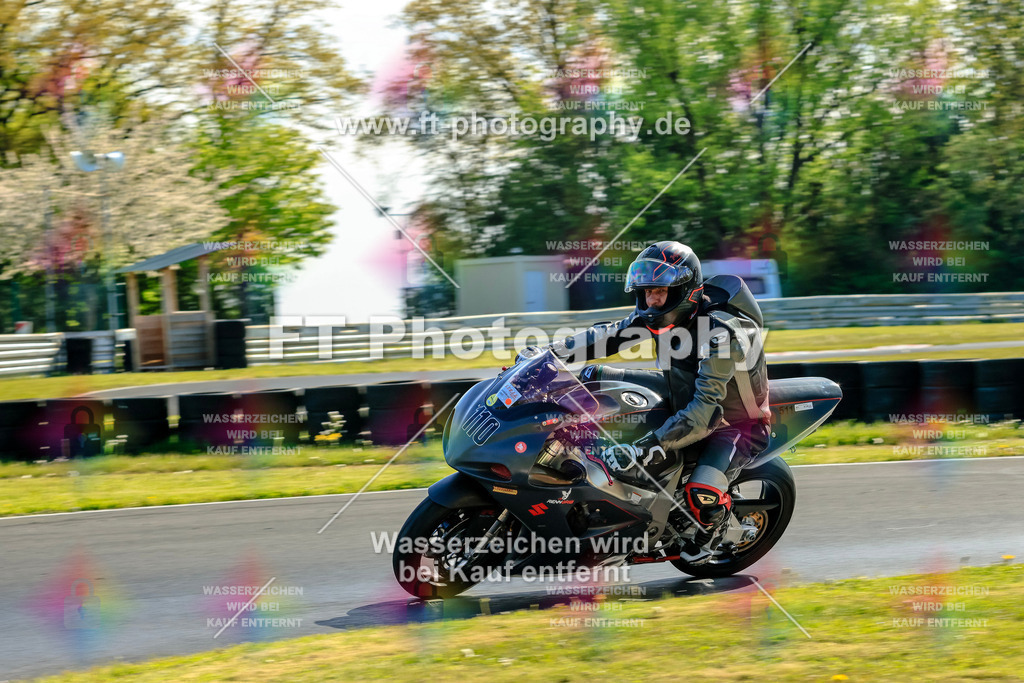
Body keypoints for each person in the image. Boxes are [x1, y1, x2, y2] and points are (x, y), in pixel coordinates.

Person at [548, 241, 771, 564]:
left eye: (658, 292)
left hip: (733, 422)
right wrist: (551, 355)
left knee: (701, 490)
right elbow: (609, 335)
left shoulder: (721, 334)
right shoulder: (659, 315)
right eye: (645, 292)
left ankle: (714, 526)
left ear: (683, 291)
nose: (650, 300)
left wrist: (650, 445)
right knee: (593, 374)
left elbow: (704, 414)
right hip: (680, 392)